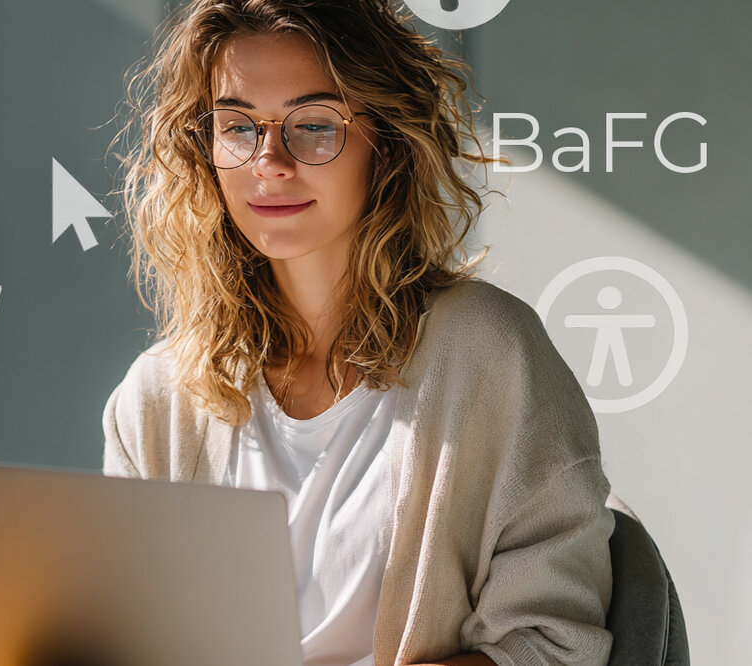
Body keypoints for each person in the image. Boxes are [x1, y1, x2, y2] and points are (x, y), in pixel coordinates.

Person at [101, 1, 615, 664]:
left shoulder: (490, 353)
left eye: (314, 124)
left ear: (389, 141)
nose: (270, 161)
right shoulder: (158, 399)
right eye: (237, 127)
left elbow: (553, 646)